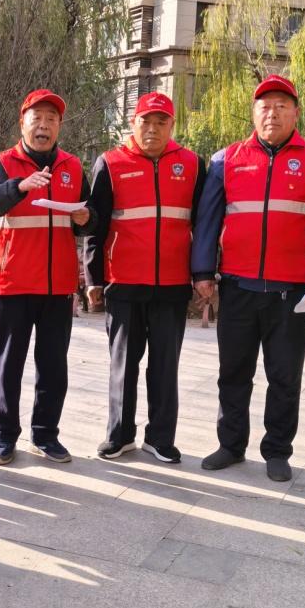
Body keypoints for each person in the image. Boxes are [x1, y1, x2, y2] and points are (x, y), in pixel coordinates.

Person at [191, 75, 305, 481]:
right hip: (237, 285)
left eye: (281, 105)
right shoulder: (225, 161)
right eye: (264, 106)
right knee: (233, 372)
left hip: (290, 291)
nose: (272, 113)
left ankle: (277, 450)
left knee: (284, 375)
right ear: (253, 113)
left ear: (296, 113)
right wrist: (203, 271)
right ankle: (230, 444)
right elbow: (208, 221)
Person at [83, 91, 206, 464]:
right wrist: (92, 278)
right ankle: (119, 436)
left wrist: (203, 274)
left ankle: (160, 438)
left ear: (172, 125)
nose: (152, 129)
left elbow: (203, 225)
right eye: (145, 121)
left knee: (165, 366)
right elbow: (95, 226)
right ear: (133, 123)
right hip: (123, 281)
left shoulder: (192, 165)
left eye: (161, 122)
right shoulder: (110, 163)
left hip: (172, 283)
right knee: (123, 363)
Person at [0, 89, 92, 465]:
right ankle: (4, 436)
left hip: (57, 285)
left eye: (51, 119)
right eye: (37, 118)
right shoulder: (2, 162)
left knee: (53, 367)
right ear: (22, 123)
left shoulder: (72, 166)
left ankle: (45, 434)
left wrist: (86, 218)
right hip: (13, 282)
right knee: (9, 365)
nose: (44, 125)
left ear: (59, 126)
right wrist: (19, 186)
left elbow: (89, 217)